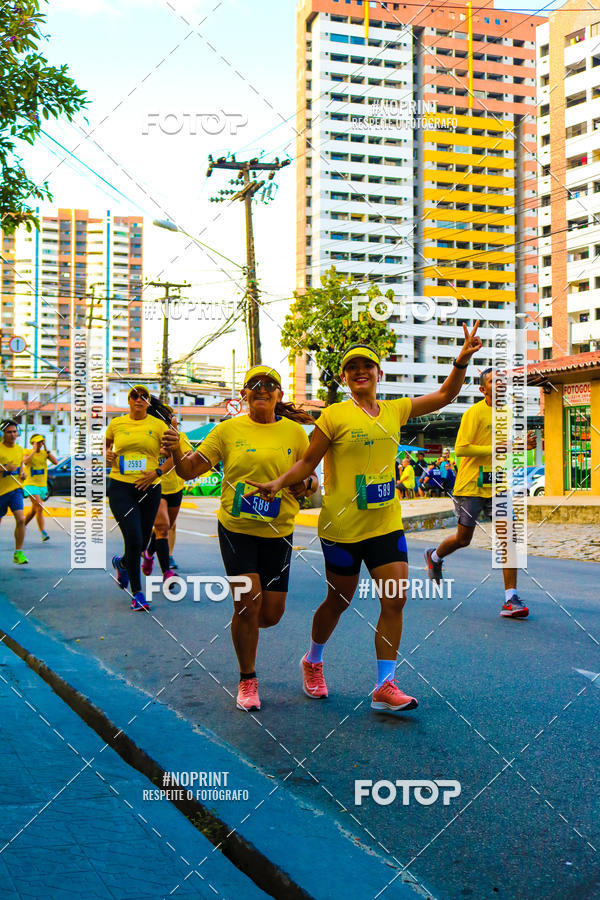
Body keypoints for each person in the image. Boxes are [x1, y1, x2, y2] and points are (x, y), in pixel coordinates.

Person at [248, 326, 482, 714]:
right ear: (344, 377)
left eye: (367, 366)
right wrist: (278, 482)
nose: (361, 372)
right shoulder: (334, 415)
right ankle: (313, 659)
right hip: (342, 529)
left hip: (385, 524)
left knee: (395, 598)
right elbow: (307, 462)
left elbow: (445, 396)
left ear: (378, 373)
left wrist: (461, 360)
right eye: (352, 367)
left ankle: (384, 685)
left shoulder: (395, 409)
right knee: (339, 600)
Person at [163, 365, 318, 712]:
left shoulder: (295, 433)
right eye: (254, 384)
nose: (262, 389)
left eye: (269, 384)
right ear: (244, 394)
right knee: (248, 603)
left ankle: (245, 621)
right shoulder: (227, 430)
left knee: (270, 614)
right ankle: (247, 678)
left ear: (279, 394)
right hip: (237, 529)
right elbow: (188, 470)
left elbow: (312, 479)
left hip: (279, 530)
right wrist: (175, 448)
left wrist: (305, 485)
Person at [425, 368, 536, 618]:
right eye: (494, 381)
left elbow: (505, 448)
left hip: (498, 485)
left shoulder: (507, 414)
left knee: (508, 538)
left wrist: (522, 445)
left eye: (503, 380)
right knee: (463, 539)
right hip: (470, 485)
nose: (500, 384)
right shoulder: (473, 413)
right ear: (483, 389)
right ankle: (435, 556)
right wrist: (499, 447)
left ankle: (511, 599)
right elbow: (461, 449)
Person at [105, 384, 171, 611]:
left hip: (150, 488)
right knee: (133, 538)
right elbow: (106, 447)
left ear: (148, 402)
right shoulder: (116, 424)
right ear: (129, 400)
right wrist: (107, 454)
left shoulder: (158, 425)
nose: (139, 399)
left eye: (144, 396)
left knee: (142, 542)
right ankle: (138, 594)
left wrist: (156, 473)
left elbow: (175, 456)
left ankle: (122, 563)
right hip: (121, 487)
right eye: (135, 395)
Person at [142, 411, 192, 584]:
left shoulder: (180, 437)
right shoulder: (150, 437)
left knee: (167, 526)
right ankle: (167, 572)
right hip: (157, 486)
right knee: (163, 527)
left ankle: (149, 553)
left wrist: (172, 451)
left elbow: (187, 456)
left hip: (175, 487)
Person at [0, 420, 28, 564]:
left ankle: (18, 553)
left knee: (21, 519)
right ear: (2, 433)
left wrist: (23, 474)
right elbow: (7, 468)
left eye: (14, 432)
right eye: (8, 432)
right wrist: (4, 468)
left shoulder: (19, 449)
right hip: (1, 492)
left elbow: (20, 468)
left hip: (15, 490)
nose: (12, 435)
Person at [23, 434, 58, 541]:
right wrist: (33, 451)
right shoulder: (27, 451)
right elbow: (25, 461)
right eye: (38, 442)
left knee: (35, 509)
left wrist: (47, 451)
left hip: (42, 485)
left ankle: (22, 525)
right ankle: (43, 532)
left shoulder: (45, 453)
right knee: (40, 505)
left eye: (42, 442)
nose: (40, 444)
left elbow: (55, 462)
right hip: (30, 484)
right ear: (32, 443)